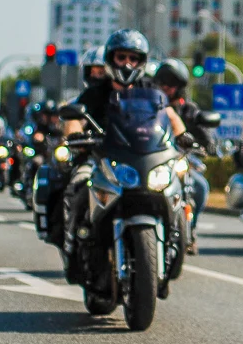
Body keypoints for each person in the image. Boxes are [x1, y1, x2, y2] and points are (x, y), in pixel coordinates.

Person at [61, 30, 191, 280]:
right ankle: (74, 245)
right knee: (79, 184)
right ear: (111, 59)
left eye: (133, 58)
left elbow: (170, 116)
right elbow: (75, 117)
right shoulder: (96, 92)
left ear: (141, 62)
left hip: (143, 159)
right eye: (121, 57)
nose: (127, 64)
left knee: (177, 184)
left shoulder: (150, 90)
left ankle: (178, 239)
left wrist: (183, 136)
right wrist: (75, 136)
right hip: (102, 158)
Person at [153, 58, 213, 253]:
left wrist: (208, 146)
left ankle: (190, 229)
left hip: (179, 161)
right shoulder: (149, 107)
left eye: (171, 84)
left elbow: (204, 136)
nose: (166, 88)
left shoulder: (188, 110)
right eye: (162, 83)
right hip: (153, 162)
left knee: (200, 186)